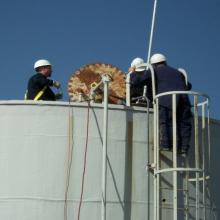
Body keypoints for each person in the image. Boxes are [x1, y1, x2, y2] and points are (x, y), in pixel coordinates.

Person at [129, 54, 192, 153]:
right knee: (184, 124)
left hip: (166, 100)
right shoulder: (177, 72)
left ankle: (166, 145)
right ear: (165, 62)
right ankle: (183, 147)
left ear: (153, 64)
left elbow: (137, 81)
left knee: (165, 121)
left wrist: (132, 73)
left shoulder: (153, 71)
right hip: (184, 100)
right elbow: (188, 86)